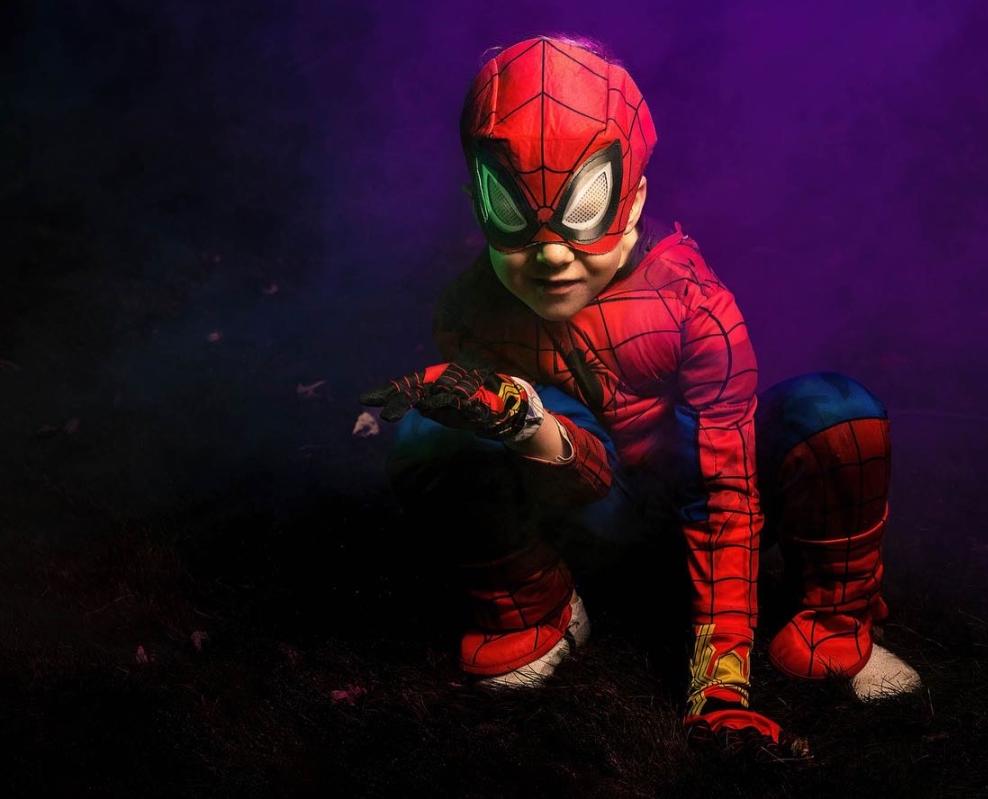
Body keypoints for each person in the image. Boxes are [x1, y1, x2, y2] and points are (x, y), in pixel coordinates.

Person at [360, 34, 920, 757]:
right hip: (589, 519)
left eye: (583, 207)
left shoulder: (693, 304)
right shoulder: (470, 312)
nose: (551, 254)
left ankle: (834, 624)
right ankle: (536, 610)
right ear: (478, 202)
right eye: (513, 212)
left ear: (632, 198)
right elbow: (537, 469)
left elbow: (725, 491)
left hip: (697, 496)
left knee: (838, 417)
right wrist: (522, 420)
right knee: (438, 429)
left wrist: (721, 688)